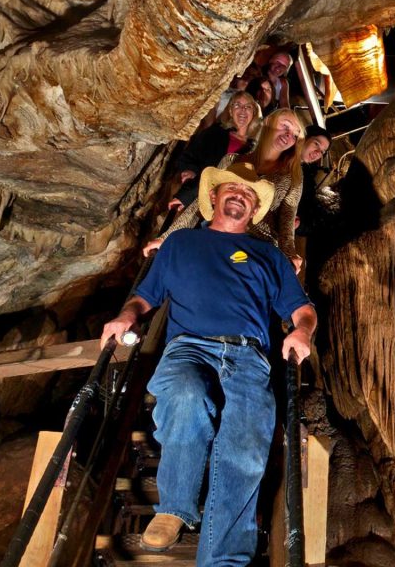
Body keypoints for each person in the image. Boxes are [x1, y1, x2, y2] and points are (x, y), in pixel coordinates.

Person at [101, 162, 316, 565]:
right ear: (213, 198)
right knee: (185, 393)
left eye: (248, 193)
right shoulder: (180, 244)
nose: (239, 194)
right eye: (231, 188)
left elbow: (302, 309)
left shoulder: (268, 254)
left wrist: (302, 331)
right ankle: (175, 507)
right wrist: (127, 316)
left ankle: (223, 559)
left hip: (248, 356)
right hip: (189, 346)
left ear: (255, 210)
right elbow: (144, 297)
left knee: (245, 445)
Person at [149, 109, 306, 272]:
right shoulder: (231, 160)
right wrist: (165, 238)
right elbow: (200, 205)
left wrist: (290, 254)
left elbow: (287, 218)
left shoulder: (292, 176)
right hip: (219, 235)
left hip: (257, 246)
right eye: (285, 126)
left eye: (295, 135)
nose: (289, 135)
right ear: (268, 122)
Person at [170, 92, 261, 209]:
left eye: (248, 107)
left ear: (253, 112)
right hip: (197, 195)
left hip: (230, 203)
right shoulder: (215, 133)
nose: (243, 110)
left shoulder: (255, 147)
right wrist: (190, 170)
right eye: (237, 105)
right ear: (230, 111)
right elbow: (189, 155)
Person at [295, 125, 332, 237]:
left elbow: (310, 220)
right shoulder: (280, 152)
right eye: (316, 144)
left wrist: (299, 225)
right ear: (304, 138)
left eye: (322, 151)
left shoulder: (307, 180)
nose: (317, 152)